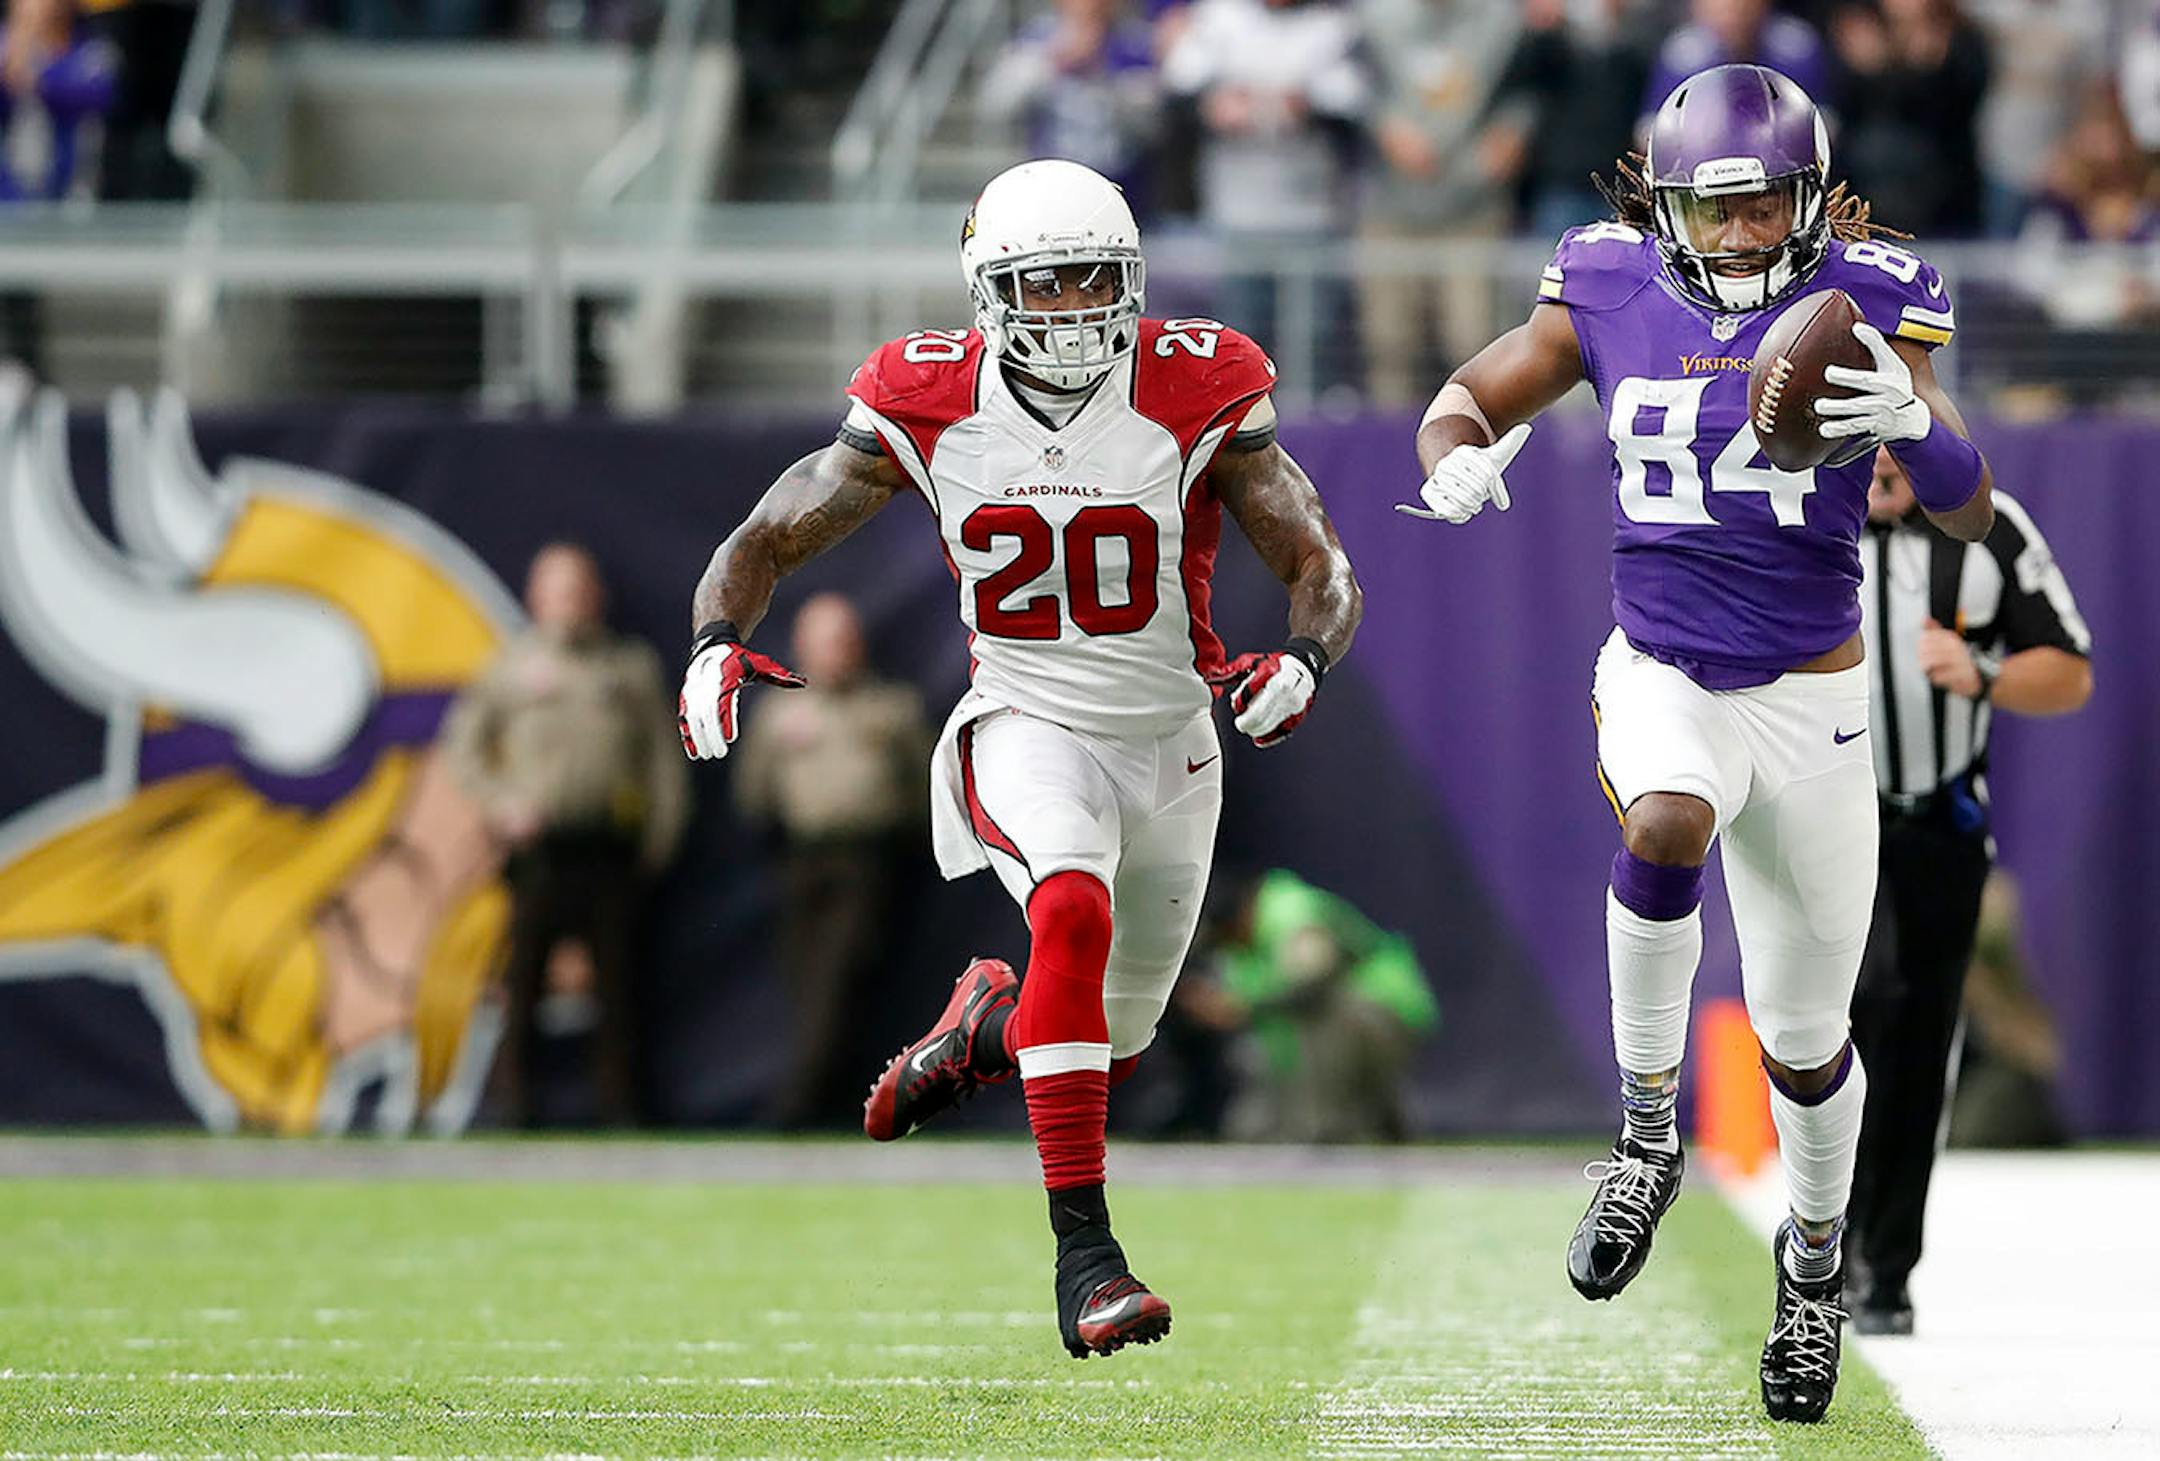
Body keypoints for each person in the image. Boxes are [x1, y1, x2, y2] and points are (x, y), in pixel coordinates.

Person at [679, 158, 1362, 1358]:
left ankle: (985, 1030)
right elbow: (770, 530)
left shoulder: (1197, 381)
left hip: (1171, 743)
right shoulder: (927, 397)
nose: (1074, 310)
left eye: (1097, 282)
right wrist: (713, 641)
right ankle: (1087, 1261)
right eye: (1043, 286)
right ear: (990, 292)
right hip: (1028, 723)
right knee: (1073, 917)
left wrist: (1303, 659)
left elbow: (1316, 557)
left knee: (1116, 1034)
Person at [1404, 65, 1995, 1422]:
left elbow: (1966, 504)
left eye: (1763, 206)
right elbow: (1474, 392)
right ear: (1666, 209)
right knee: (1663, 818)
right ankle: (1644, 1131)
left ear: (1807, 196)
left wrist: (1915, 423)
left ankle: (1810, 1268)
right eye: (1714, 210)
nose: (1737, 236)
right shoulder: (1606, 283)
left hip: (1816, 705)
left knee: (1804, 1041)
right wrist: (1455, 453)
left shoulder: (1870, 295)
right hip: (1666, 667)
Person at [1845, 446, 2091, 1336]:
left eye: (1894, 435)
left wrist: (1983, 672)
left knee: (1918, 1039)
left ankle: (1885, 1268)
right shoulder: (1791, 513)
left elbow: (2071, 670)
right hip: (1827, 824)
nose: (1878, 463)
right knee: (1837, 1026)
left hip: (1938, 821)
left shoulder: (1988, 528)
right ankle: (1822, 1250)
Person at [444, 543, 688, 1126]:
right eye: (558, 590)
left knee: (620, 988)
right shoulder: (510, 666)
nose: (570, 602)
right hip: (538, 852)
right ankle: (516, 1106)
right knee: (523, 982)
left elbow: (661, 761)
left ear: (596, 597)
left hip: (608, 848)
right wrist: (503, 805)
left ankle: (621, 1107)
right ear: (536, 598)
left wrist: (659, 838)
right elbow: (465, 749)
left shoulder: (627, 666)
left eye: (579, 589)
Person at [731, 592, 932, 1129]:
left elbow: (922, 790)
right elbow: (755, 794)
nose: (835, 652)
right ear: (802, 646)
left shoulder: (890, 710)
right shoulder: (781, 711)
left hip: (867, 861)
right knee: (806, 980)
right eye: (823, 641)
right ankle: (838, 1098)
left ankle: (795, 1105)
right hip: (801, 859)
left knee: (838, 976)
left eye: (843, 640)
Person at [1159, 0, 1373, 394]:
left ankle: (1313, 438)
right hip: (1237, 210)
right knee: (1240, 340)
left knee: (1314, 341)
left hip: (1311, 211)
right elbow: (1177, 92)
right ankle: (1242, 433)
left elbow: (1355, 104)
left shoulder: (1330, 26)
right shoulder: (1219, 19)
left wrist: (1306, 106)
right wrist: (1214, 107)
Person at [1207, 869, 1437, 1143]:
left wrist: (1244, 1006)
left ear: (1241, 915)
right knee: (1255, 1123)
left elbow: (1313, 979)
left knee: (1327, 1012)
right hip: (1309, 1042)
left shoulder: (1290, 911)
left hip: (1383, 1005)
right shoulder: (1240, 948)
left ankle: (1331, 1131)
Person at [980, 0, 1160, 217]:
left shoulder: (1134, 41)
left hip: (1126, 190)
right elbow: (997, 102)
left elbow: (1153, 123)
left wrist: (1099, 72)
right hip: (1052, 187)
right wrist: (1055, 63)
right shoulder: (1038, 37)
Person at [1827, 0, 1991, 238]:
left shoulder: (1960, 40)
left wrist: (1929, 69)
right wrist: (1868, 70)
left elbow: (1960, 112)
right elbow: (1843, 113)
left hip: (1943, 208)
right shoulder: (1855, 31)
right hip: (1867, 203)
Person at [1642, 0, 1831, 126]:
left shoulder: (1796, 49)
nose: (1735, 11)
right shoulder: (1682, 58)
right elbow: (1651, 137)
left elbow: (1824, 132)